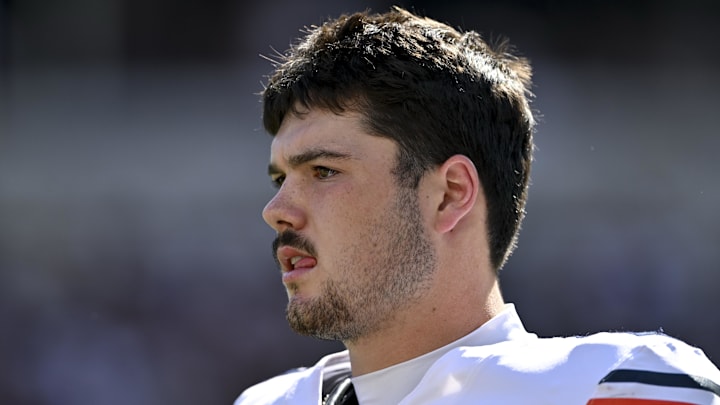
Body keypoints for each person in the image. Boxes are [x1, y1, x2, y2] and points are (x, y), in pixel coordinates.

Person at [236, 6, 720, 405]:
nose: (277, 209)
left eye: (324, 171)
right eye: (281, 178)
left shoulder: (608, 387)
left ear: (450, 194)